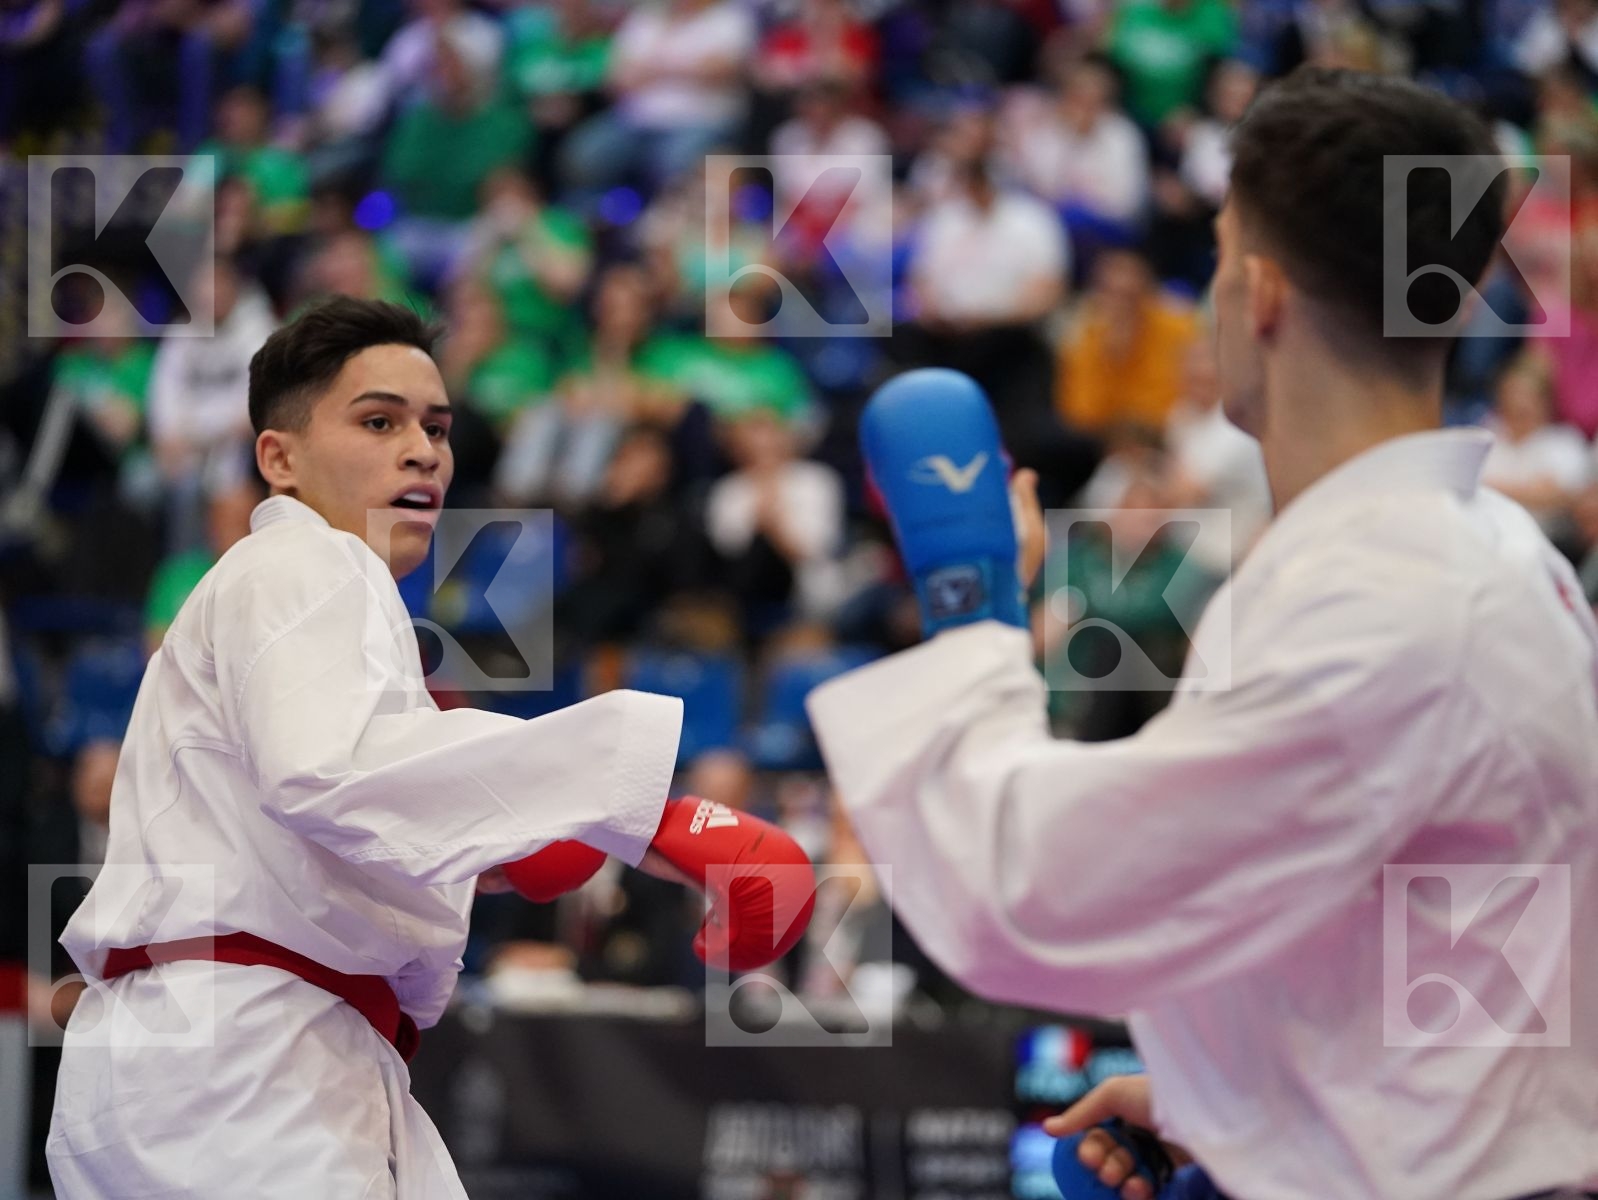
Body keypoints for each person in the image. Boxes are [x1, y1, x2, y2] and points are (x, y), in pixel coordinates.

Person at [807, 68, 1598, 1200]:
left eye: (1219, 257)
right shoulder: (1477, 554)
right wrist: (1229, 1101)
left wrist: (971, 614)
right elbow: (1436, 950)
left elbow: (1032, 895)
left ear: (1259, 295)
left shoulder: (1385, 603)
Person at [46, 297, 815, 1197]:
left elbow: (314, 817)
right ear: (278, 458)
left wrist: (501, 851)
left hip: (236, 1052)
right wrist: (647, 815)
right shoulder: (309, 561)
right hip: (243, 1059)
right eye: (379, 421)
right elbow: (329, 775)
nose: (423, 450)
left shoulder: (288, 593)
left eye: (438, 428)